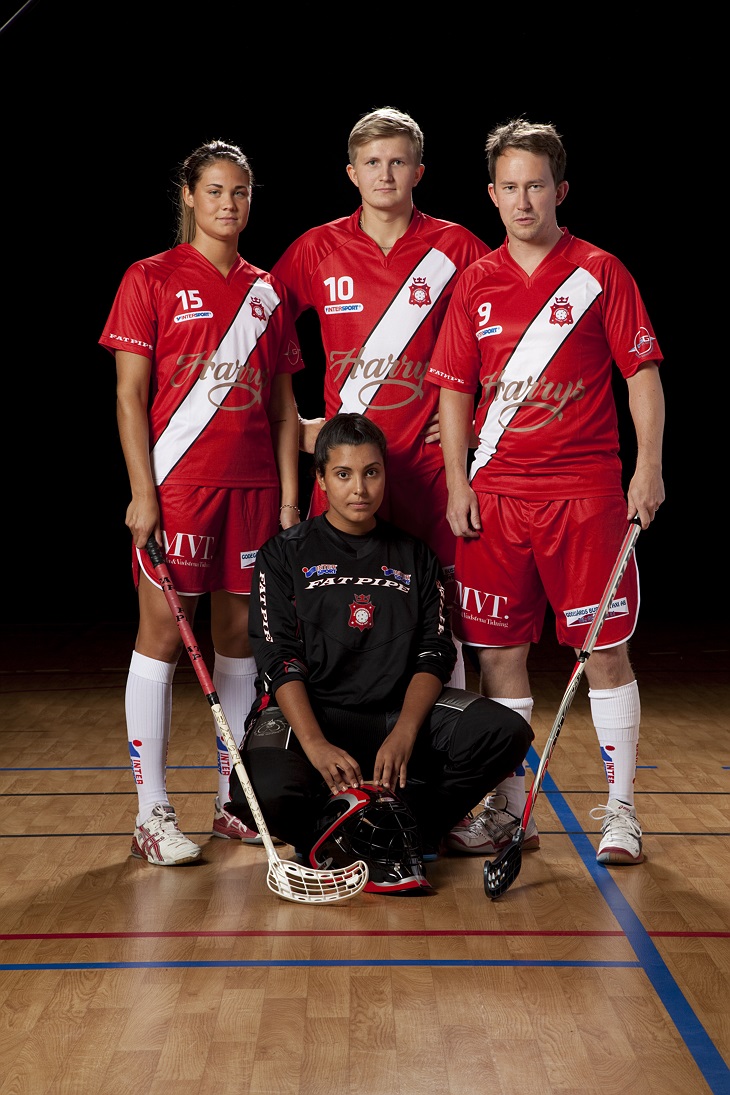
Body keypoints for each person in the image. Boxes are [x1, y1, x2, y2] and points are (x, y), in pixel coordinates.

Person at [426, 117, 665, 866]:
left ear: (561, 190)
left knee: (605, 653)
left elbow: (641, 375)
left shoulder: (601, 271)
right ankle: (508, 807)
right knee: (499, 656)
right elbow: (454, 390)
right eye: (510, 187)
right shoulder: (475, 281)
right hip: (496, 497)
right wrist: (458, 481)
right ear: (491, 194)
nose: (523, 200)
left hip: (585, 496)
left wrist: (648, 467)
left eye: (536, 185)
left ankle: (621, 811)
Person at [99, 139, 303, 865]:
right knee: (161, 636)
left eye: (240, 191)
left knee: (240, 640)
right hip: (179, 488)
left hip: (253, 490)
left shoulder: (267, 290)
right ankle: (151, 811)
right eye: (215, 190)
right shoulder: (149, 277)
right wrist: (142, 493)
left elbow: (284, 409)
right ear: (188, 195)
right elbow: (130, 396)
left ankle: (231, 801)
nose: (229, 204)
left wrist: (288, 500)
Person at [224, 413, 534, 885]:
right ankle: (341, 834)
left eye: (371, 472)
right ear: (321, 479)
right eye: (343, 474)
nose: (360, 488)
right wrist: (315, 744)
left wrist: (405, 732)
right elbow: (277, 657)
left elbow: (435, 653)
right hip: (315, 715)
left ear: (385, 475)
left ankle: (405, 828)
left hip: (391, 716)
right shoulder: (283, 554)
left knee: (505, 732)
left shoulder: (415, 556)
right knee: (260, 792)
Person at [271, 106, 491, 689]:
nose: (385, 175)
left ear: (419, 171)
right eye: (372, 163)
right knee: (337, 614)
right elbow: (256, 332)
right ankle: (346, 738)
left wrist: (482, 420)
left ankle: (447, 741)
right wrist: (294, 422)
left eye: (398, 162)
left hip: (430, 468)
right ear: (352, 173)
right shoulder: (317, 248)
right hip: (348, 470)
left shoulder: (458, 247)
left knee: (446, 613)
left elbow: (507, 339)